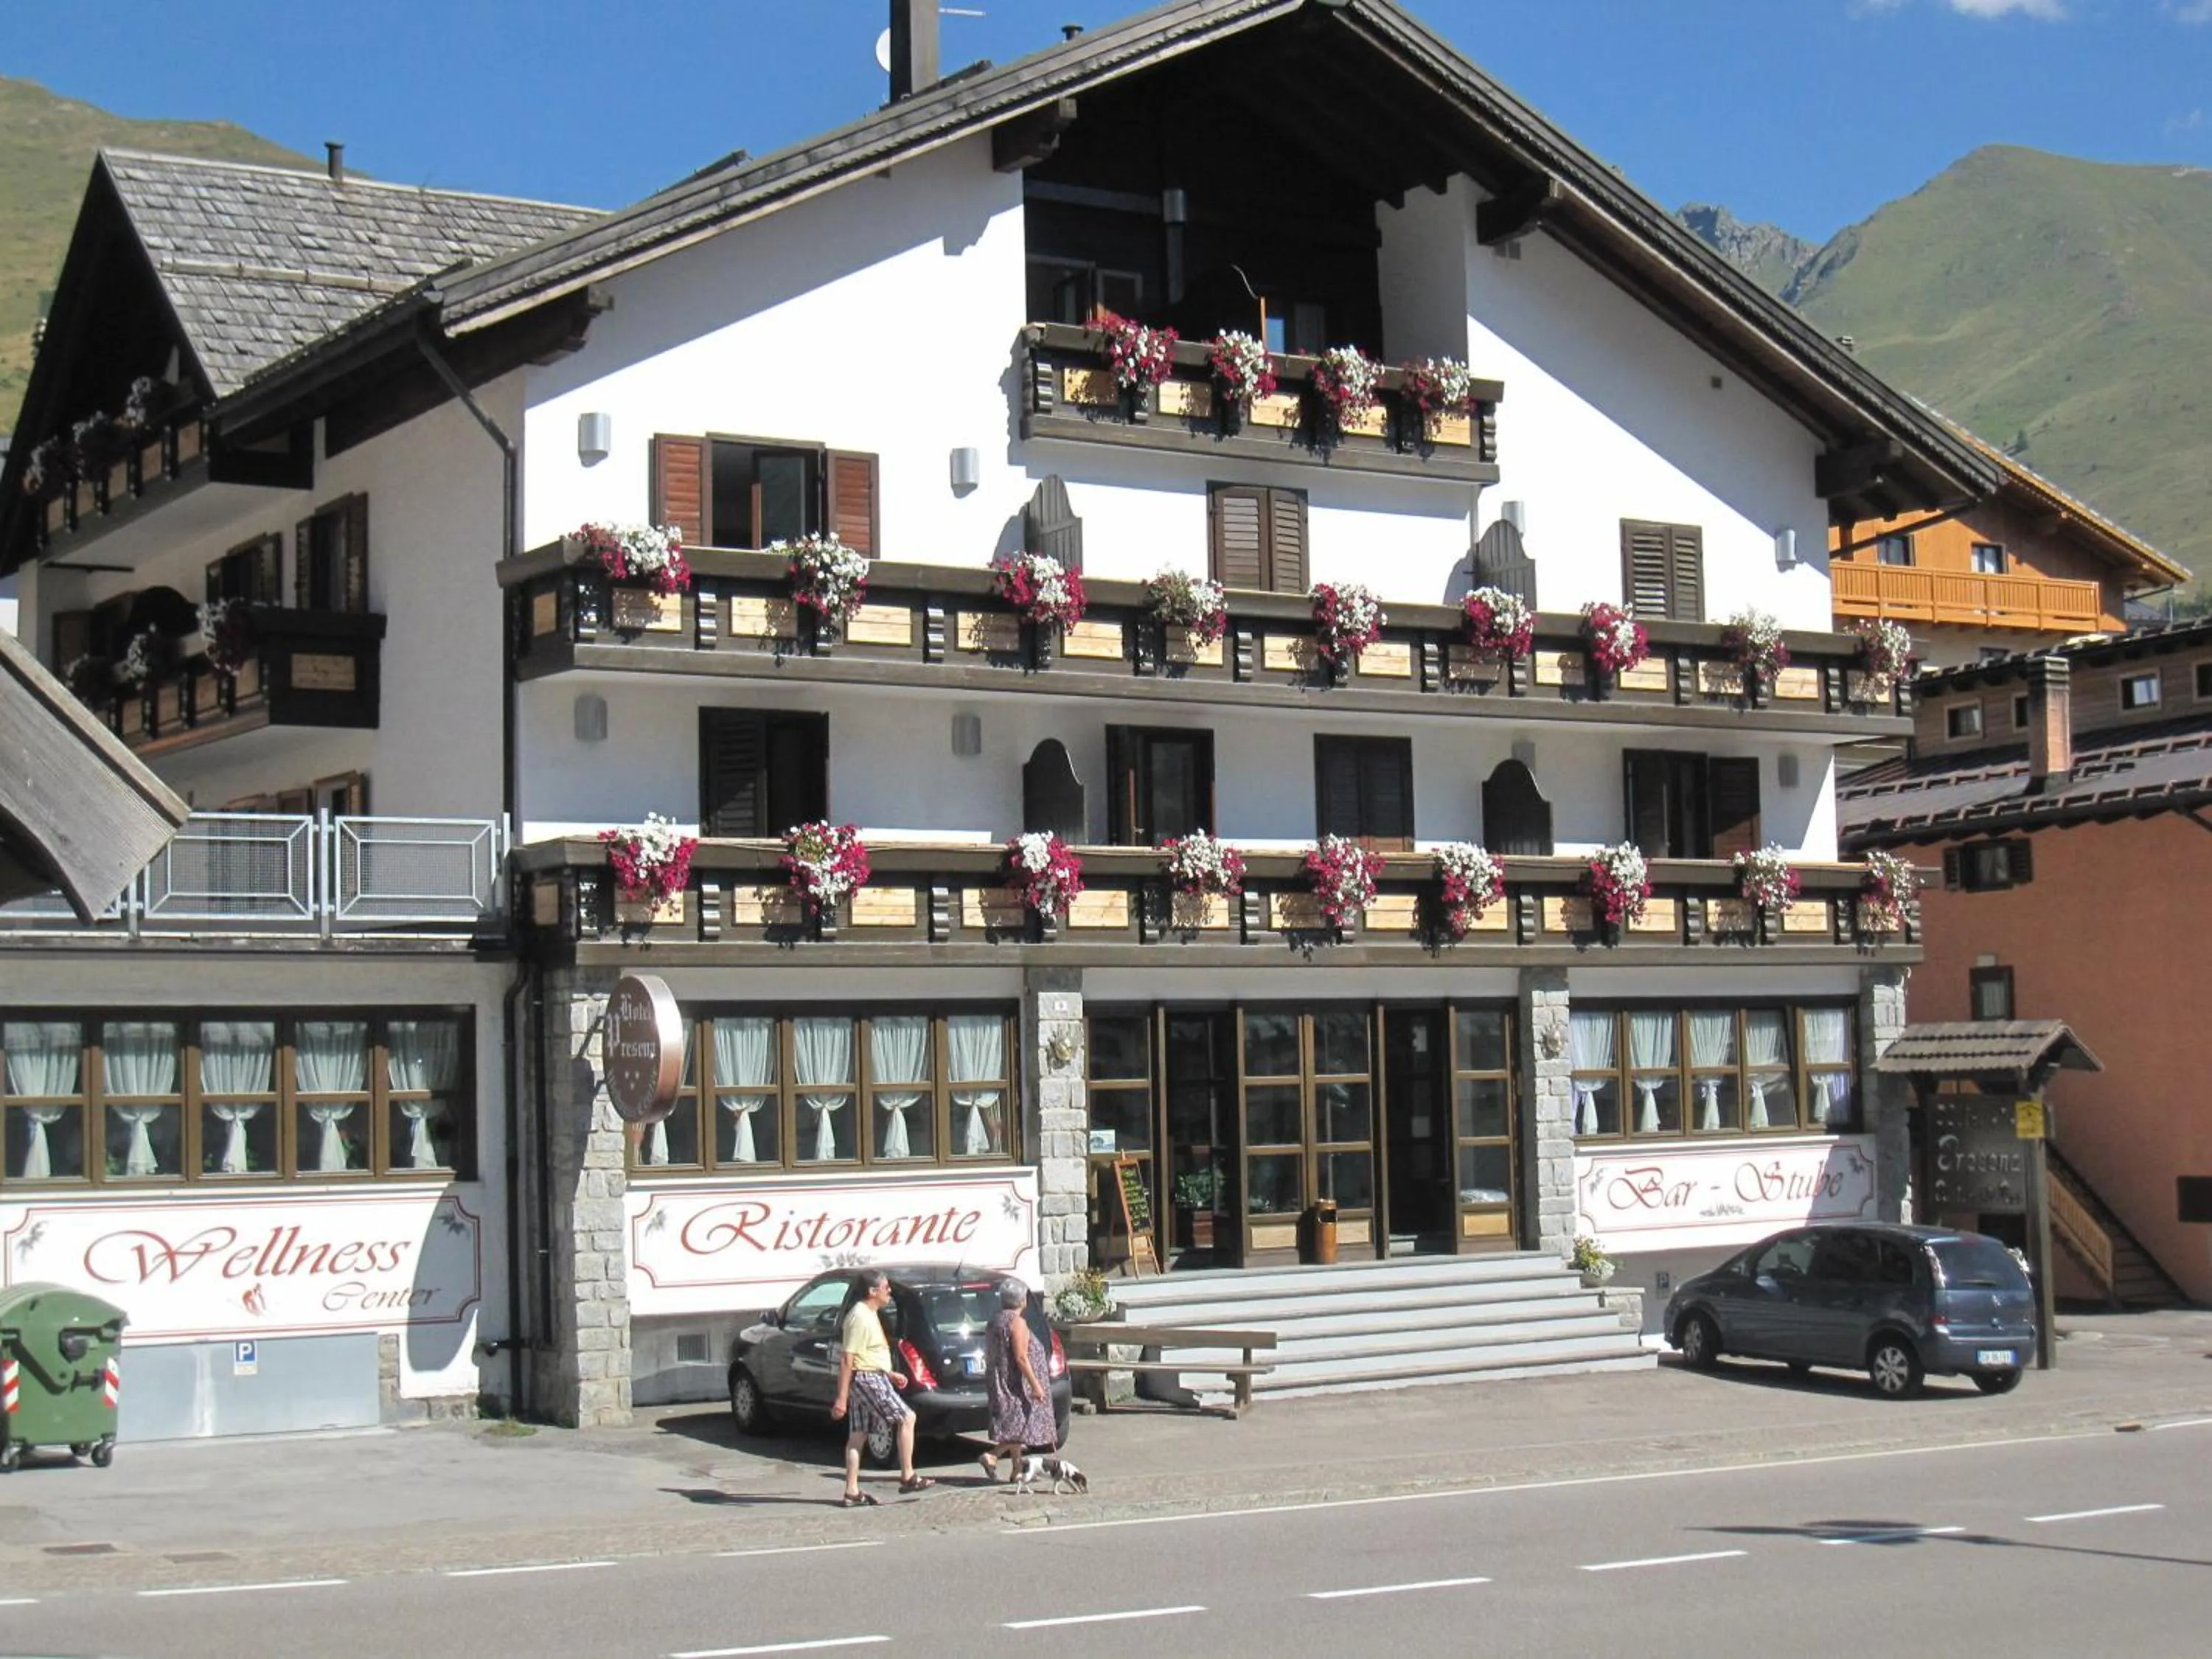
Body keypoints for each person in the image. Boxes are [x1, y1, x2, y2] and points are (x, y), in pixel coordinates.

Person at [830, 1269, 933, 1506]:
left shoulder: (869, 1314)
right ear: (872, 1291)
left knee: (859, 1434)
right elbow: (848, 1359)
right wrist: (841, 1399)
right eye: (886, 1288)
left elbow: (868, 1352)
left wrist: (890, 1373)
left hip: (873, 1375)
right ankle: (907, 1476)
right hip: (867, 1379)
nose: (889, 1292)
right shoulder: (860, 1317)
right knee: (907, 1417)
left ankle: (851, 1491)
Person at [978, 1276, 1055, 1483]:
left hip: (999, 1380)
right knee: (1021, 1425)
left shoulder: (995, 1320)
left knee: (1014, 1424)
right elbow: (1021, 1357)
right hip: (1013, 1383)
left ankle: (1017, 1470)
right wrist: (1036, 1386)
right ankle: (992, 1455)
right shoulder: (1017, 1323)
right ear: (1023, 1301)